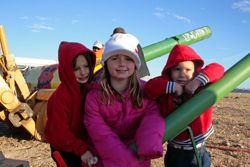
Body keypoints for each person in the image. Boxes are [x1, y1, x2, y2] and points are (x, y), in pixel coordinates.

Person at [84, 33, 165, 167]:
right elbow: (101, 135)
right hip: (103, 161)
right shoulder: (94, 98)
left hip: (139, 160)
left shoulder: (146, 91)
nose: (122, 63)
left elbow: (154, 114)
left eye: (128, 58)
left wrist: (149, 141)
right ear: (106, 63)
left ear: (135, 64)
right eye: (115, 58)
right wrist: (127, 160)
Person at [145, 44, 225, 167]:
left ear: (195, 72)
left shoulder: (200, 86)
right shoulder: (166, 88)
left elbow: (218, 68)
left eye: (188, 70)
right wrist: (172, 87)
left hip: (196, 150)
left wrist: (197, 81)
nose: (182, 74)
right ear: (169, 71)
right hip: (174, 150)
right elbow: (149, 88)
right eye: (177, 69)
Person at [44, 41, 99, 167]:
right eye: (76, 69)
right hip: (64, 148)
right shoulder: (61, 97)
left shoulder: (87, 89)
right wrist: (82, 149)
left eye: (86, 66)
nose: (83, 72)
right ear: (67, 70)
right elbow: (60, 133)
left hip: (80, 145)